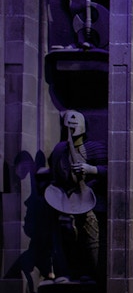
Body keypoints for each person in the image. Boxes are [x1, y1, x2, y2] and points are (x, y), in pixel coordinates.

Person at [42, 110, 107, 282]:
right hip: (66, 198)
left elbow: (110, 171)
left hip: (90, 198)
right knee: (65, 231)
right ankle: (68, 271)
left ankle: (91, 272)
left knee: (90, 232)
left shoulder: (94, 148)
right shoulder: (59, 150)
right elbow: (56, 175)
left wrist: (91, 169)